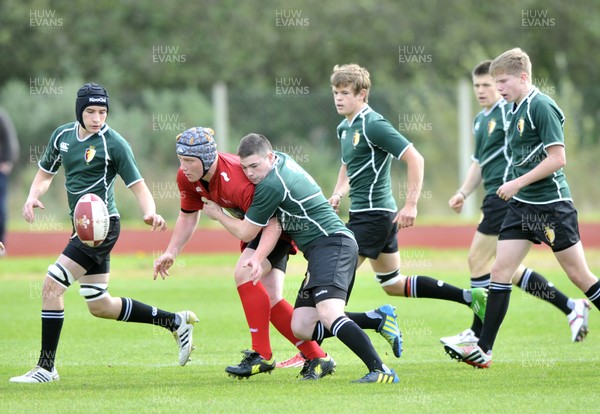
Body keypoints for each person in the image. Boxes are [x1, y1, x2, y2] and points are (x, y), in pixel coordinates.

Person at [9, 83, 198, 383]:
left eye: (102, 112)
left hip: (103, 226)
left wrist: (149, 212)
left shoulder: (115, 143)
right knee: (99, 304)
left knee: (51, 286)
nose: (97, 118)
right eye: (91, 111)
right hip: (81, 228)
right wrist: (33, 195)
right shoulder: (62, 136)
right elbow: (45, 174)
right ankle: (175, 322)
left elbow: (138, 185)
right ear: (79, 112)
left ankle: (46, 367)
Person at [444, 48, 600, 368]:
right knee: (500, 272)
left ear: (523, 77)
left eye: (503, 81)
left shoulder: (541, 106)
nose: (498, 87)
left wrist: (516, 182)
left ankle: (574, 306)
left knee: (579, 274)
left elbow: (558, 158)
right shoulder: (511, 107)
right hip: (520, 207)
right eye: (494, 82)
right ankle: (483, 348)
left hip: (551, 207)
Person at [202, 133, 400, 384]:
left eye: (255, 166)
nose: (250, 173)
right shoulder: (282, 161)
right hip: (320, 250)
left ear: (270, 157)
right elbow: (274, 226)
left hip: (333, 243)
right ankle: (375, 318)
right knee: (302, 326)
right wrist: (259, 256)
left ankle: (380, 369)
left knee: (329, 313)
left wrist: (218, 214)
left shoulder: (271, 185)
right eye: (244, 168)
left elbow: (246, 231)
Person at [153, 126, 341, 380]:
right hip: (257, 227)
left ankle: (262, 355)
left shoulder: (238, 179)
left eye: (189, 160)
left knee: (243, 274)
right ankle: (318, 356)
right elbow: (188, 214)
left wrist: (246, 244)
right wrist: (172, 252)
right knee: (272, 299)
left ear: (207, 158)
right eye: (181, 160)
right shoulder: (186, 177)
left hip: (276, 229)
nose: (183, 166)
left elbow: (269, 223)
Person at [328, 63, 487, 325]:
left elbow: (416, 159)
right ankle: (470, 297)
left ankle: (318, 345)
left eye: (345, 92)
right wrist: (337, 193)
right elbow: (348, 165)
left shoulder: (373, 124)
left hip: (373, 216)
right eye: (335, 92)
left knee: (329, 283)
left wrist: (411, 204)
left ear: (362, 94)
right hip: (371, 215)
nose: (338, 98)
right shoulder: (344, 128)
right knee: (392, 283)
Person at [0, 107, 19, 255]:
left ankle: (0, 245)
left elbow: (10, 141)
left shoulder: (1, 116)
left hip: (1, 170)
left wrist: (7, 162)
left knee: (0, 206)